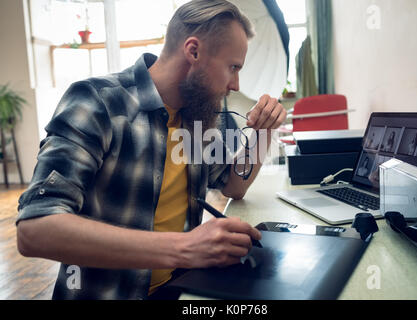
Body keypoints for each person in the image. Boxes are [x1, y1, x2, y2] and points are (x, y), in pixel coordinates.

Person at [16, 0, 287, 300]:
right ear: (193, 51)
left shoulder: (199, 115)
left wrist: (265, 130)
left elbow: (234, 186)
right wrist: (185, 249)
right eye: (233, 67)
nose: (236, 84)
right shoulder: (98, 102)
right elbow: (35, 230)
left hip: (178, 291)